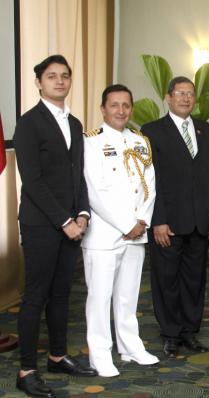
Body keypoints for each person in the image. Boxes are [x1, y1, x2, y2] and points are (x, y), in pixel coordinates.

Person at [13, 54, 97, 397]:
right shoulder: (28, 123)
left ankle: (57, 356)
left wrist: (82, 215)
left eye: (64, 76)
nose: (59, 81)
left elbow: (78, 175)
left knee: (63, 294)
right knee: (36, 296)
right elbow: (32, 180)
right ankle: (26, 370)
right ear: (38, 82)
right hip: (41, 225)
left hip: (72, 225)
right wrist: (64, 221)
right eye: (51, 76)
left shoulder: (75, 123)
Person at [81, 84, 159, 376]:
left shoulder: (140, 141)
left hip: (136, 232)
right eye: (114, 105)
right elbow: (94, 192)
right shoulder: (90, 142)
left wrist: (141, 221)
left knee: (128, 295)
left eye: (126, 105)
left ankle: (130, 346)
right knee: (99, 298)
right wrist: (127, 224)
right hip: (104, 235)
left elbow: (149, 185)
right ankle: (100, 354)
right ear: (103, 109)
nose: (121, 110)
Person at [142, 76, 209, 358]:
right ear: (168, 97)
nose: (186, 98)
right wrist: (158, 220)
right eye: (180, 93)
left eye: (190, 94)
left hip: (200, 222)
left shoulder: (207, 130)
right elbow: (151, 180)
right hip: (167, 223)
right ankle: (171, 334)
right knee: (166, 279)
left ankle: (189, 332)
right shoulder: (151, 131)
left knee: (194, 280)